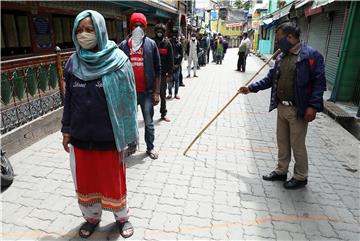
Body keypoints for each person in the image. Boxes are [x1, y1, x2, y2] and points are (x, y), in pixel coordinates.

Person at [61, 10, 138, 238]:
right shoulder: (73, 64)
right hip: (81, 137)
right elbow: (69, 102)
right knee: (86, 183)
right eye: (80, 30)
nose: (84, 34)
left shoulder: (119, 63)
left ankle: (121, 218)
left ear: (101, 31)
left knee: (114, 183)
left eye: (89, 29)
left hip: (110, 138)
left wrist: (129, 137)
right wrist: (66, 130)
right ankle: (91, 218)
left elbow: (128, 102)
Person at [239, 22, 326, 189]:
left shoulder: (311, 56)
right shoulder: (281, 56)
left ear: (291, 37)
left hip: (298, 109)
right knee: (282, 142)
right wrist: (250, 88)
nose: (277, 43)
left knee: (297, 144)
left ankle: (301, 176)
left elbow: (319, 84)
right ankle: (281, 171)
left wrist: (313, 106)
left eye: (279, 39)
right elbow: (270, 79)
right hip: (282, 107)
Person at [119, 12, 161, 159]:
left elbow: (158, 70)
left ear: (144, 27)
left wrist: (156, 92)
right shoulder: (124, 46)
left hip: (147, 93)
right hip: (129, 93)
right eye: (135, 25)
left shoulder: (151, 45)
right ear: (131, 27)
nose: (138, 28)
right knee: (130, 121)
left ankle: (150, 147)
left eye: (140, 25)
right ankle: (131, 146)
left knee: (148, 122)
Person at [154, 23, 173, 122]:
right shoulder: (152, 43)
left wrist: (169, 74)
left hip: (162, 74)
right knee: (150, 95)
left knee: (162, 94)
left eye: (161, 31)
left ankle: (163, 113)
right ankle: (148, 115)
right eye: (158, 31)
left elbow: (171, 60)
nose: (159, 33)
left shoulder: (167, 44)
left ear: (164, 32)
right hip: (152, 74)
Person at [168, 31, 183, 99]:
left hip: (177, 65)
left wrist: (178, 64)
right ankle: (170, 93)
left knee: (177, 80)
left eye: (175, 35)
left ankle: (176, 93)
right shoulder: (168, 44)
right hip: (170, 65)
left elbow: (181, 55)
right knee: (170, 80)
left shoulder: (179, 44)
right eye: (173, 35)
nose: (174, 36)